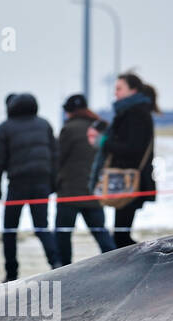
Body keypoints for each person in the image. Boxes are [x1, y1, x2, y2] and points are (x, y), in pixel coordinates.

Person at [0, 92, 61, 282]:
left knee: (9, 230)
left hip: (17, 184)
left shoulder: (5, 128)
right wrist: (52, 183)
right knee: (42, 227)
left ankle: (12, 273)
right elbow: (54, 156)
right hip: (41, 182)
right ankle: (56, 263)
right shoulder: (44, 124)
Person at [90, 72, 159, 248]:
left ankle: (149, 262)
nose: (115, 93)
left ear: (133, 90)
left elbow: (132, 149)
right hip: (125, 181)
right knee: (121, 236)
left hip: (129, 180)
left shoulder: (135, 114)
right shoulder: (130, 112)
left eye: (119, 88)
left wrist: (104, 142)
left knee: (121, 239)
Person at [54, 94, 115, 264]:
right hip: (93, 189)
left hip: (69, 192)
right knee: (101, 233)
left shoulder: (68, 129)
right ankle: (116, 263)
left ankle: (63, 269)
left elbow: (59, 159)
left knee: (63, 234)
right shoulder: (98, 126)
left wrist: (54, 183)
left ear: (70, 111)